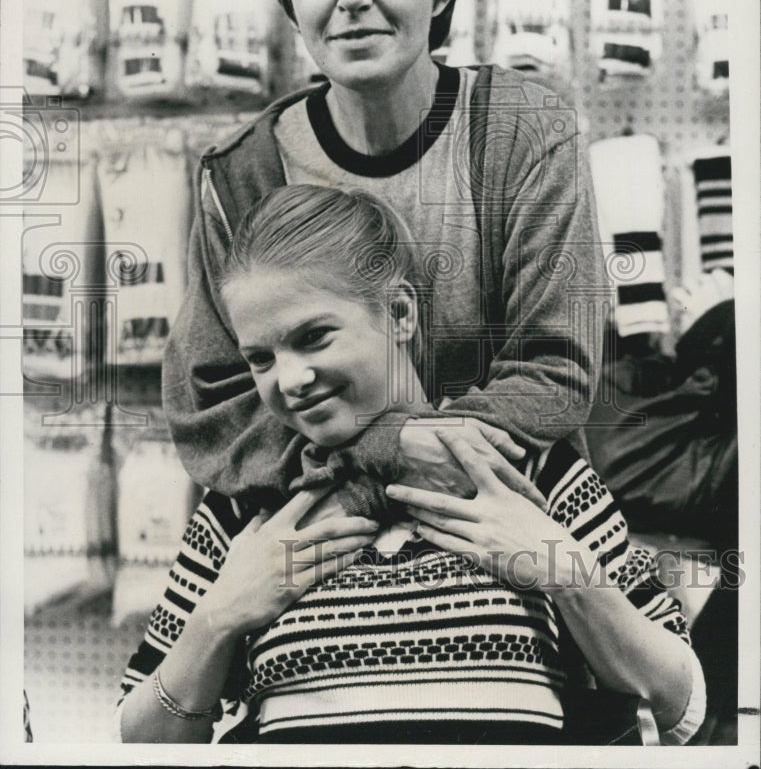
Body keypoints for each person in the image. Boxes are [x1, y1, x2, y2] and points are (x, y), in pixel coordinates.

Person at [119, 186, 704, 745]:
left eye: (315, 337)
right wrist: (219, 617)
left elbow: (681, 705)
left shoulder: (529, 471)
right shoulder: (245, 505)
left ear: (399, 312)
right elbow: (140, 737)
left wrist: (563, 571)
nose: (289, 379)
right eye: (261, 358)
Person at [163, 0, 608, 519]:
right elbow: (213, 405)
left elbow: (554, 367)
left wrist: (401, 444)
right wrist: (383, 450)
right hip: (319, 526)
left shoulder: (525, 131)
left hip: (505, 515)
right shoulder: (242, 173)